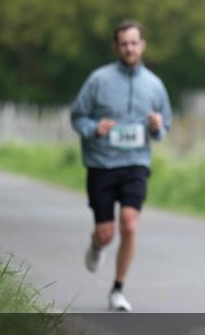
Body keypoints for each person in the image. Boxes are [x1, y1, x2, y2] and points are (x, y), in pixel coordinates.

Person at [70, 21, 172, 312]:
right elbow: (77, 116)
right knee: (106, 233)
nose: (129, 48)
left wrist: (157, 126)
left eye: (134, 43)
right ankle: (97, 246)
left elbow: (164, 124)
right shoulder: (98, 80)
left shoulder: (154, 85)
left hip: (135, 164)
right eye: (124, 43)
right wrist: (93, 127)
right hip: (102, 164)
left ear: (143, 45)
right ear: (116, 47)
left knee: (129, 223)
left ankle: (117, 289)